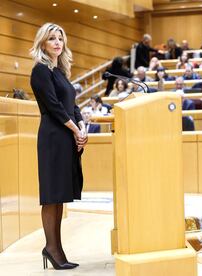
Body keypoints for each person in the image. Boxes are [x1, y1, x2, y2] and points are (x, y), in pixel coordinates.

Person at [30, 23, 87, 270]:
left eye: (60, 38)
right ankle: (52, 248)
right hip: (54, 138)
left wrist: (82, 126)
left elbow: (72, 106)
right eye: (51, 38)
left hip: (66, 136)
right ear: (42, 43)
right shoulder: (40, 71)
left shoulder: (60, 72)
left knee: (60, 195)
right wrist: (75, 130)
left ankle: (56, 249)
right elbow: (54, 107)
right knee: (52, 195)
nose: (57, 43)